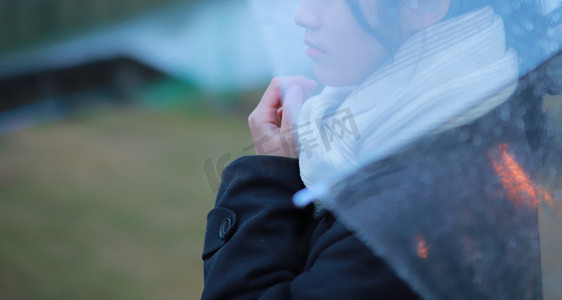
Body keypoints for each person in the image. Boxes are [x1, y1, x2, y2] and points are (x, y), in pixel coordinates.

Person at [202, 0, 552, 299]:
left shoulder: (408, 217)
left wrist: (267, 176)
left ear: (422, 6)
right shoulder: (483, 109)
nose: (302, 14)